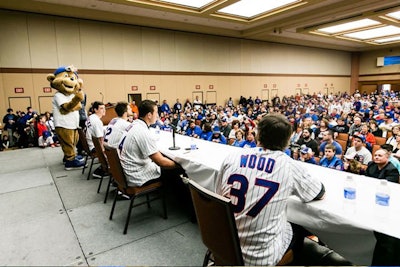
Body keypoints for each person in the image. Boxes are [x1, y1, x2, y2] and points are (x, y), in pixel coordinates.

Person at [215, 113, 325, 266]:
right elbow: (318, 192)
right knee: (299, 227)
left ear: (258, 135)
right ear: (287, 141)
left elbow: (218, 196)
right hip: (258, 260)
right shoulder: (289, 166)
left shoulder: (231, 157)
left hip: (223, 247)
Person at [119, 100, 180, 186]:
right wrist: (180, 165)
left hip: (129, 170)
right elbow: (161, 161)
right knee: (175, 170)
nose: (158, 116)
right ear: (149, 115)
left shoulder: (133, 125)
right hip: (137, 176)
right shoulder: (142, 131)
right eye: (156, 113)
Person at [365, 147, 400, 265]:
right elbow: (366, 180)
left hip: (384, 201)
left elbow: (388, 188)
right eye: (375, 155)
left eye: (380, 156)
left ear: (387, 157)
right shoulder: (371, 165)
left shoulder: (392, 169)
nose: (376, 157)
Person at [85, 101, 106, 178]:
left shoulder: (91, 117)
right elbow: (100, 139)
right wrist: (103, 152)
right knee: (114, 149)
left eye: (104, 108)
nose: (104, 110)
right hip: (94, 147)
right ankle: (102, 170)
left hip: (89, 144)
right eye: (101, 108)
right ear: (95, 110)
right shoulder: (97, 121)